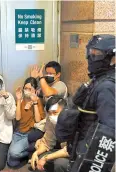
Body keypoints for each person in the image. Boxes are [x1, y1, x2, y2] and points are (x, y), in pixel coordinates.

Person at [55, 34, 115, 172]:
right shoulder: (98, 80)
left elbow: (108, 134)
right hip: (81, 148)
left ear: (112, 58)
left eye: (96, 54)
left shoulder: (107, 87)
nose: (90, 57)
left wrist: (90, 164)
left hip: (91, 156)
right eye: (90, 52)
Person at [7, 77, 45, 168]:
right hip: (17, 133)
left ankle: (32, 152)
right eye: (25, 88)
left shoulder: (37, 101)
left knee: (13, 153)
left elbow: (38, 120)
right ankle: (26, 155)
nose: (27, 91)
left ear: (34, 90)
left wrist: (35, 103)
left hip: (28, 134)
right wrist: (19, 100)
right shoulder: (21, 100)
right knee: (11, 163)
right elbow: (18, 118)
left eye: (30, 89)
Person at [30, 96, 67, 171]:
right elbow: (47, 142)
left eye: (55, 112)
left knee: (60, 163)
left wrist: (46, 158)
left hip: (73, 155)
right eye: (50, 113)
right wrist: (36, 153)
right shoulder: (51, 120)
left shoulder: (72, 123)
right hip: (60, 149)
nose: (52, 116)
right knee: (38, 157)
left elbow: (69, 150)